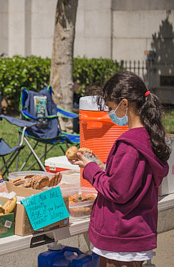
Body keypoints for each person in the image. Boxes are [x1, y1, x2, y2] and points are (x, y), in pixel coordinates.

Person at [72, 70, 170, 267]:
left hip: (120, 235)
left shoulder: (129, 144)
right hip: (137, 231)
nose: (110, 113)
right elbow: (134, 176)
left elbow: (117, 190)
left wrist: (91, 169)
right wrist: (105, 166)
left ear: (124, 104)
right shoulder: (148, 138)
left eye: (110, 107)